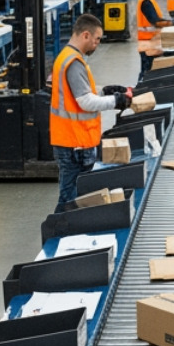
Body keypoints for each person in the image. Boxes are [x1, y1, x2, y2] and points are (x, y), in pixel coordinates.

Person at [50, 14, 129, 205]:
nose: (97, 44)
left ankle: (64, 228)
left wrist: (104, 92)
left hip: (71, 140)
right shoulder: (73, 63)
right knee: (71, 199)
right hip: (74, 142)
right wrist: (116, 101)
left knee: (73, 195)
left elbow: (77, 95)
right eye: (97, 40)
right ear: (86, 35)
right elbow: (85, 101)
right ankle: (61, 229)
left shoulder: (66, 57)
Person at [136, 0, 174, 76]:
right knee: (147, 74)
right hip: (148, 43)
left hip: (151, 42)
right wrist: (172, 24)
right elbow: (155, 22)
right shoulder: (146, 1)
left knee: (149, 72)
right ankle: (141, 91)